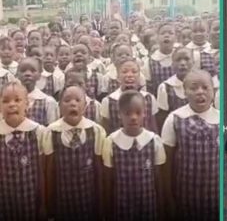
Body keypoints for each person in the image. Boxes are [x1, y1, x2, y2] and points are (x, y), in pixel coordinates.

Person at [161, 70, 219, 221]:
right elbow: (166, 162)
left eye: (205, 87)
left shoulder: (223, 120)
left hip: (217, 195)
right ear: (185, 92)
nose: (200, 92)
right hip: (184, 195)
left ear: (213, 91)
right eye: (193, 88)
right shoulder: (175, 119)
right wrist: (168, 196)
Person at [44, 85, 106, 221]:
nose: (73, 104)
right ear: (59, 106)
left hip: (88, 198)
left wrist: (101, 206)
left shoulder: (96, 131)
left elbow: (99, 170)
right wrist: (50, 207)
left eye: (78, 100)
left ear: (85, 106)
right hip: (63, 198)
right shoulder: (51, 132)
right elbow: (49, 171)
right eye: (67, 100)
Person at [102, 90, 165, 221]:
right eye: (127, 113)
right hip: (121, 204)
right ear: (119, 115)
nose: (133, 117)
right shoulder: (111, 141)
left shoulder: (154, 140)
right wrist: (107, 209)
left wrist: (161, 207)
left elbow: (159, 178)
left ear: (144, 113)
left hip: (149, 204)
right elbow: (108, 179)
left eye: (138, 112)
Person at [0, 81, 47, 220]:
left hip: (31, 199)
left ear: (27, 104)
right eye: (5, 101)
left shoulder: (38, 132)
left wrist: (43, 204)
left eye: (18, 100)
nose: (12, 104)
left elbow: (42, 171)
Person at [101, 59, 158, 134]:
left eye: (134, 72)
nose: (129, 75)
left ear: (139, 76)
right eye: (124, 72)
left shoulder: (149, 98)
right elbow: (106, 130)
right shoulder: (108, 101)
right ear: (117, 77)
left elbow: (153, 127)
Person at [156, 48, 193, 130]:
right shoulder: (165, 87)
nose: (183, 63)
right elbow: (162, 118)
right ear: (172, 64)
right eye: (178, 60)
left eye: (187, 59)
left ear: (193, 62)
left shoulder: (201, 85)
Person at [17, 58, 59, 126]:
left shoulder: (48, 102)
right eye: (23, 70)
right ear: (17, 74)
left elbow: (51, 128)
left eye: (33, 71)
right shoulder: (11, 101)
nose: (28, 73)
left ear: (39, 75)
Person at [143, 23, 176, 97]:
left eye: (170, 33)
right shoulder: (149, 62)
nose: (166, 35)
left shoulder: (180, 57)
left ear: (176, 37)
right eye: (163, 33)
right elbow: (147, 87)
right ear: (157, 38)